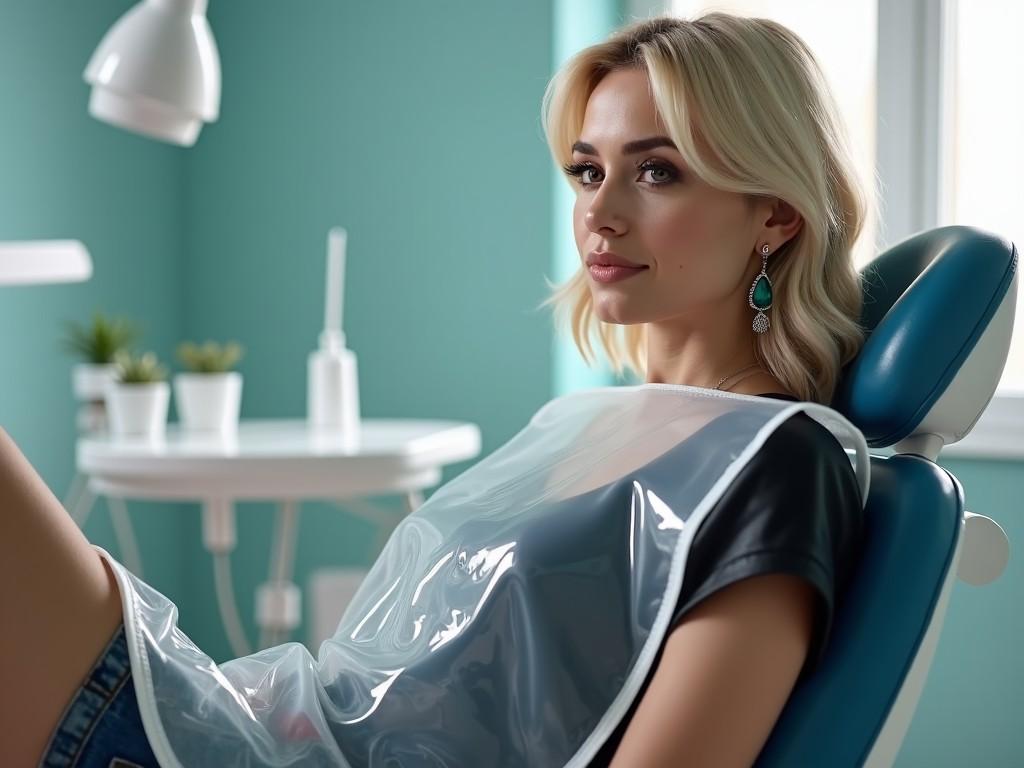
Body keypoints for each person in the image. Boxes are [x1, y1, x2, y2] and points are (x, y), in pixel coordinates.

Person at [1, 11, 869, 768]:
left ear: (776, 213)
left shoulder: (779, 463)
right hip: (244, 726)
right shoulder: (585, 420)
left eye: (656, 172)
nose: (601, 213)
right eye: (587, 170)